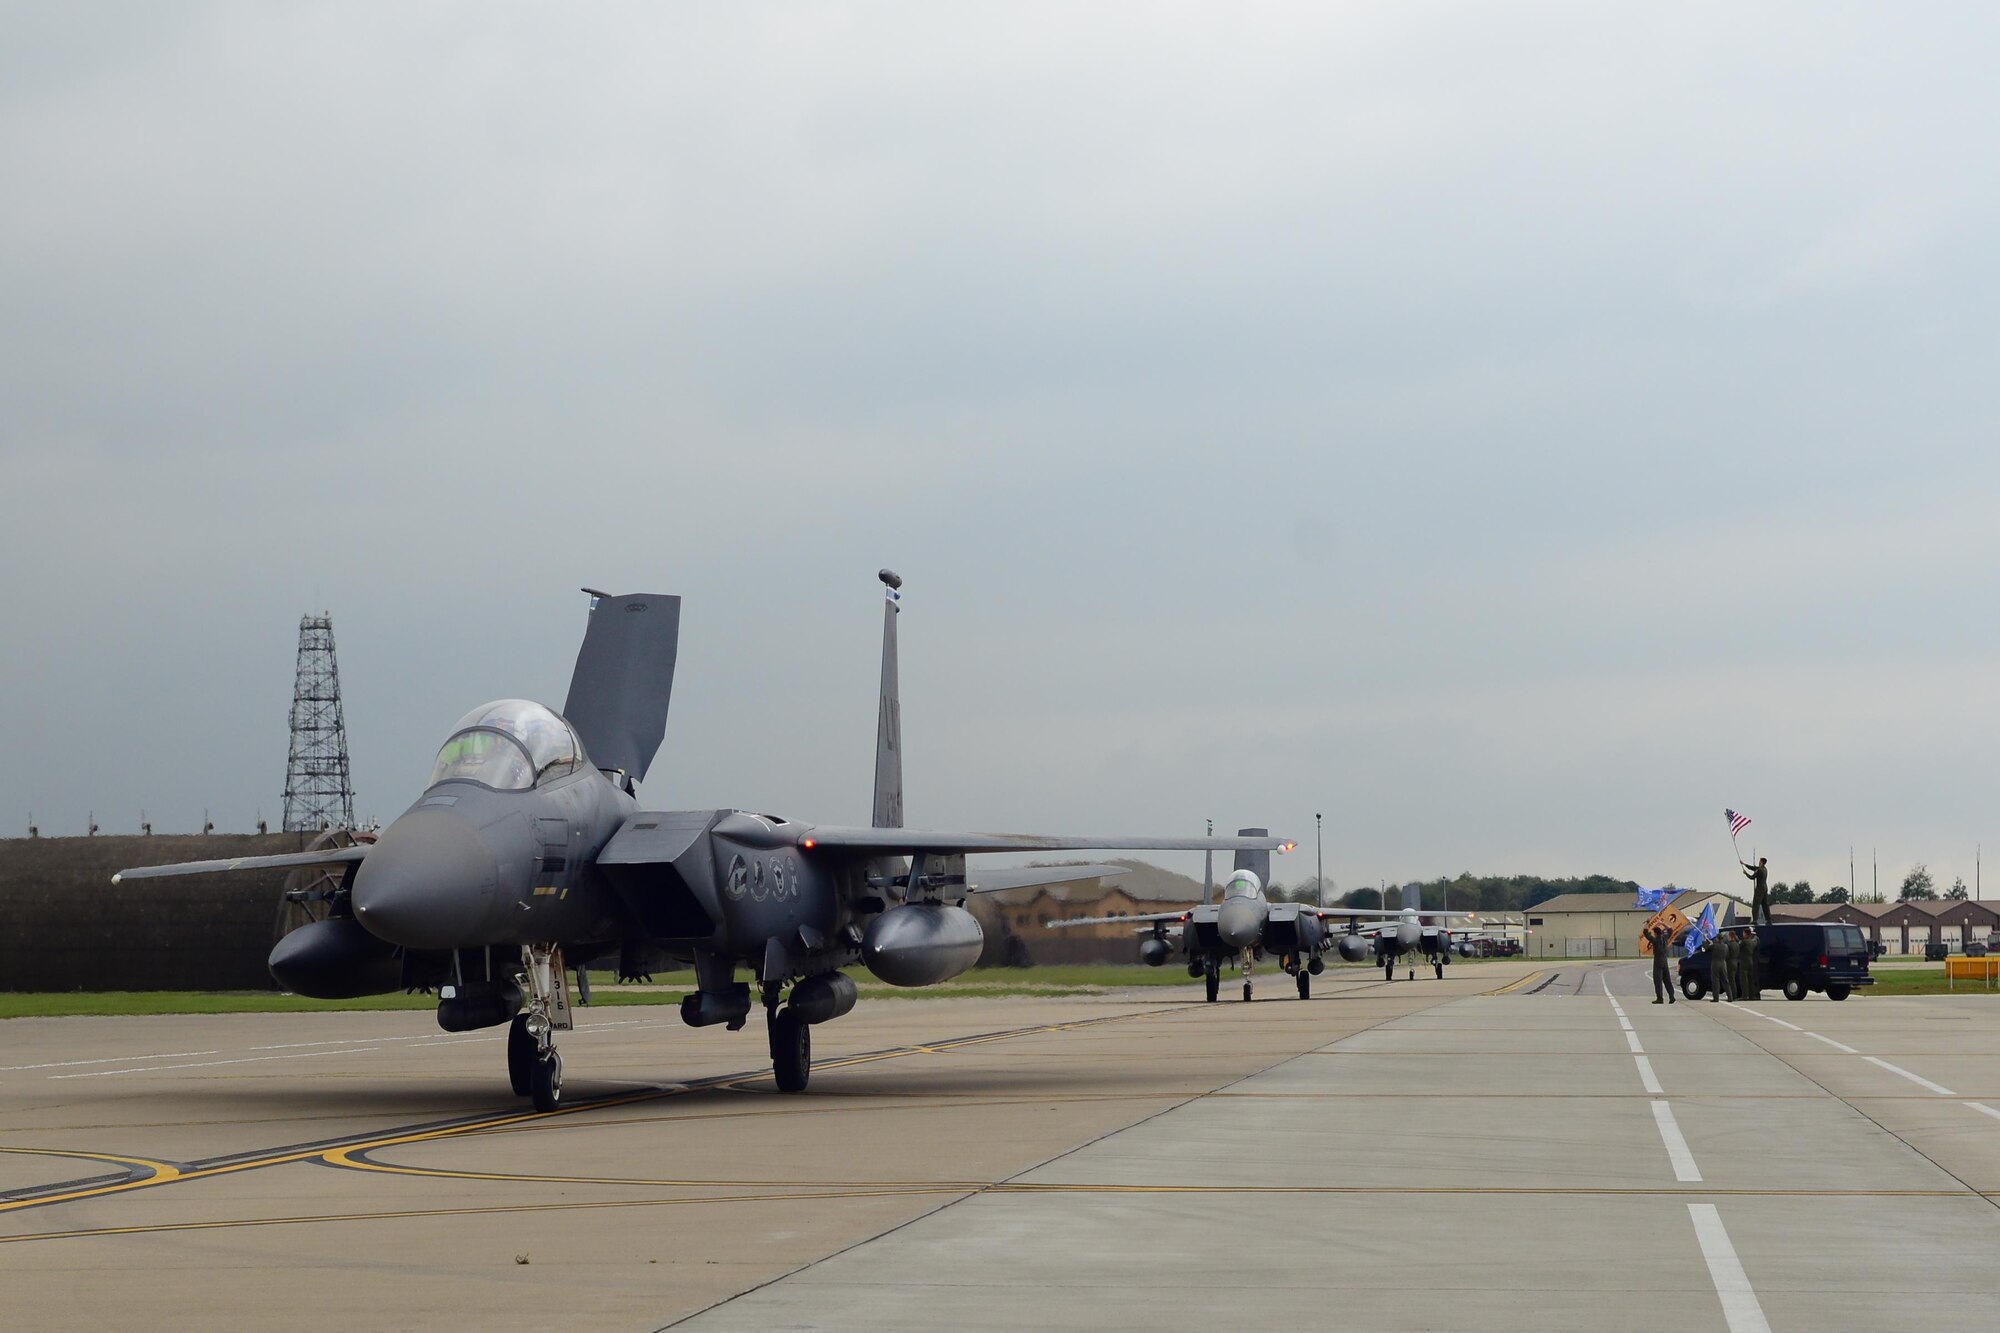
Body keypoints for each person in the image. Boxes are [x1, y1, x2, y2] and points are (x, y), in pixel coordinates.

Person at [1647, 923, 1676, 1004]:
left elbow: (1645, 933)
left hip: (1658, 960)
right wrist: (1663, 923)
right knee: (1667, 980)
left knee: (1658, 980)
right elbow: (1670, 930)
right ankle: (1671, 996)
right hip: (1665, 960)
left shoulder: (1655, 940)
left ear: (1655, 933)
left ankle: (1660, 998)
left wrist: (1647, 923)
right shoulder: (1664, 938)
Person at [1742, 856, 1772, 926]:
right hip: (1765, 888)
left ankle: (1755, 920)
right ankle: (1769, 919)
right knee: (1765, 905)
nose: (1759, 862)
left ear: (1761, 862)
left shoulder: (1759, 870)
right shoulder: (1765, 869)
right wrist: (1744, 864)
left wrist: (1745, 873)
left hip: (1759, 889)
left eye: (1759, 861)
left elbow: (1752, 877)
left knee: (1756, 904)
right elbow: (1753, 868)